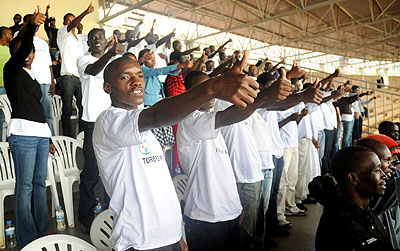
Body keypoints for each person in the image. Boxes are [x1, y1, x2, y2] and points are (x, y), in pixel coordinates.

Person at [92, 51, 258, 251]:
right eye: (125, 77)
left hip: (168, 237)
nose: (136, 82)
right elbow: (156, 115)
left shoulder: (141, 123)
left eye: (140, 75)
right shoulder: (109, 121)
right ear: (107, 87)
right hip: (140, 242)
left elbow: (160, 185)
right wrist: (211, 88)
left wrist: (177, 233)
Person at [177, 68, 291, 251]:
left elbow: (224, 170)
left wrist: (235, 207)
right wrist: (263, 96)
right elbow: (227, 116)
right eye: (204, 89)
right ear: (190, 94)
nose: (211, 94)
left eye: (212, 88)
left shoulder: (209, 120)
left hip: (227, 212)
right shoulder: (190, 120)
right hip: (206, 215)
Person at [4, 8, 53, 248]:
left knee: (38, 183)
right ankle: (27, 237)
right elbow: (22, 48)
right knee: (24, 186)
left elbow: (40, 111)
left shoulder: (33, 78)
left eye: (30, 51)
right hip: (22, 135)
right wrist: (32, 27)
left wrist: (50, 137)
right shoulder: (10, 71)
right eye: (22, 50)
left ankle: (43, 230)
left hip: (41, 135)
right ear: (14, 53)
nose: (27, 54)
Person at [76, 29, 124, 232]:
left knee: (115, 171)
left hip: (114, 121)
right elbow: (94, 70)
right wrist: (111, 53)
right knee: (91, 173)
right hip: (93, 124)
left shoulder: (114, 62)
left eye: (100, 38)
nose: (97, 40)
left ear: (107, 41)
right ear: (88, 41)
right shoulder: (83, 60)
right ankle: (86, 220)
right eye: (93, 37)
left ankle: (111, 214)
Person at [314, 146, 392, 251]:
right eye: (377, 170)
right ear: (353, 178)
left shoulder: (362, 210)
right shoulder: (346, 227)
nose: (384, 175)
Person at [57, 3, 94, 137]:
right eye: (69, 20)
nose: (72, 23)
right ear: (64, 22)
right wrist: (86, 12)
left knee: (82, 107)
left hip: (79, 77)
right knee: (67, 109)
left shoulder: (78, 39)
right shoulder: (62, 33)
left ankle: (82, 135)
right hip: (67, 76)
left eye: (73, 20)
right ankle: (67, 136)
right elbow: (72, 25)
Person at [30, 18, 56, 135]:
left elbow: (49, 64)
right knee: (32, 114)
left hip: (45, 83)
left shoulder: (43, 43)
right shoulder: (20, 39)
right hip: (30, 82)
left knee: (48, 115)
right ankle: (36, 138)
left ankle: (51, 140)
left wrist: (52, 82)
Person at [0, 26, 12, 141]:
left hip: (7, 86)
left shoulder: (9, 50)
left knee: (4, 117)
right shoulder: (6, 50)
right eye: (10, 34)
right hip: (1, 87)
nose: (11, 36)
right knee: (2, 117)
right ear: (4, 34)